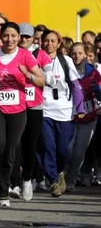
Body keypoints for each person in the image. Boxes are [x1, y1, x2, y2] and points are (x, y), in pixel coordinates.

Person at [0, 22, 45, 207]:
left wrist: (28, 76)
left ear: (18, 37)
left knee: (10, 150)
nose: (10, 39)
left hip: (18, 110)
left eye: (13, 36)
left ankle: (3, 193)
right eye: (6, 35)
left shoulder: (25, 55)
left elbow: (42, 80)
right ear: (1, 36)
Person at [38, 29, 83, 197]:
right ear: (41, 42)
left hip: (64, 111)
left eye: (52, 41)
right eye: (46, 40)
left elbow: (76, 84)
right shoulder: (36, 59)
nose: (49, 44)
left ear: (58, 43)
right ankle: (53, 181)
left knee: (63, 149)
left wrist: (80, 107)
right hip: (44, 110)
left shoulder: (66, 60)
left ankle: (59, 172)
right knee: (48, 147)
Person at [14, 23, 54, 201]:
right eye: (21, 35)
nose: (23, 39)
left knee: (30, 145)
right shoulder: (9, 52)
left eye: (27, 36)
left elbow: (49, 80)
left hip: (34, 105)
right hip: (13, 104)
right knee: (14, 145)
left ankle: (28, 180)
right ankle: (13, 182)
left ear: (33, 38)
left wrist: (29, 75)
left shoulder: (41, 54)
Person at [65, 43, 101, 191]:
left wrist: (97, 91)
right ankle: (60, 177)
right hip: (69, 117)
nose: (77, 56)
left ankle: (70, 182)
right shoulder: (65, 71)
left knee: (79, 153)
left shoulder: (93, 72)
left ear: (86, 54)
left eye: (80, 53)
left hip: (88, 119)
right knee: (66, 150)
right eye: (74, 53)